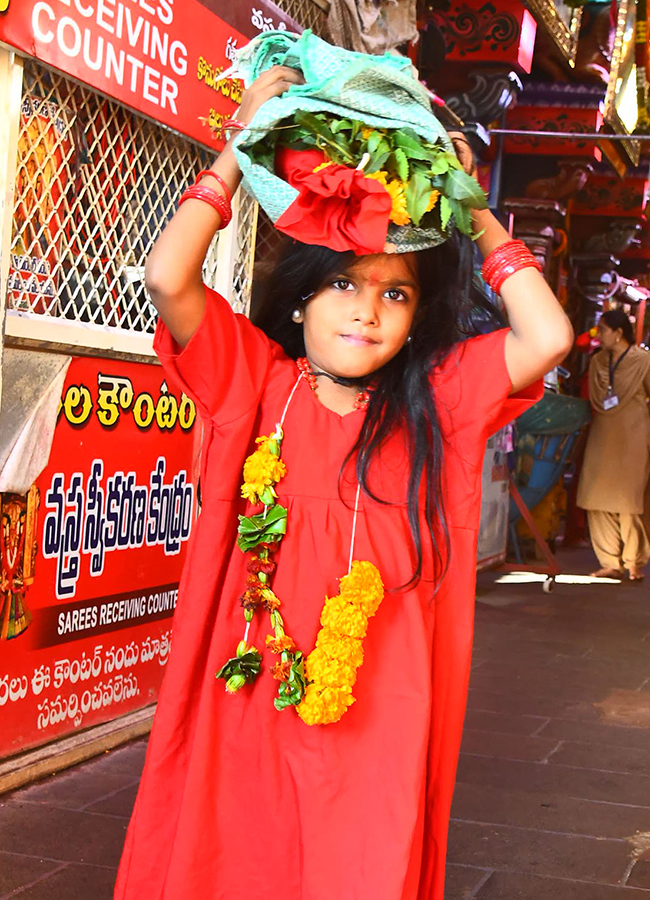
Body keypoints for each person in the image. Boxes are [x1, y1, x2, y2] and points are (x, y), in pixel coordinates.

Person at [114, 61, 573, 900]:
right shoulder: (255, 382)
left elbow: (546, 336)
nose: (366, 309)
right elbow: (166, 277)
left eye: (393, 295)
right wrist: (237, 143)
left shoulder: (437, 399)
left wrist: (470, 205)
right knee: (235, 853)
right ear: (300, 299)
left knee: (360, 863)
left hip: (381, 699)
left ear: (414, 320)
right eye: (342, 284)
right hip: (252, 675)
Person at [577, 308, 650, 580]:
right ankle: (610, 561)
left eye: (603, 330)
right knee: (596, 497)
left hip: (634, 435)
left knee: (629, 501)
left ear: (619, 334)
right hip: (603, 434)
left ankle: (634, 561)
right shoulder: (598, 362)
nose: (599, 335)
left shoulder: (643, 361)